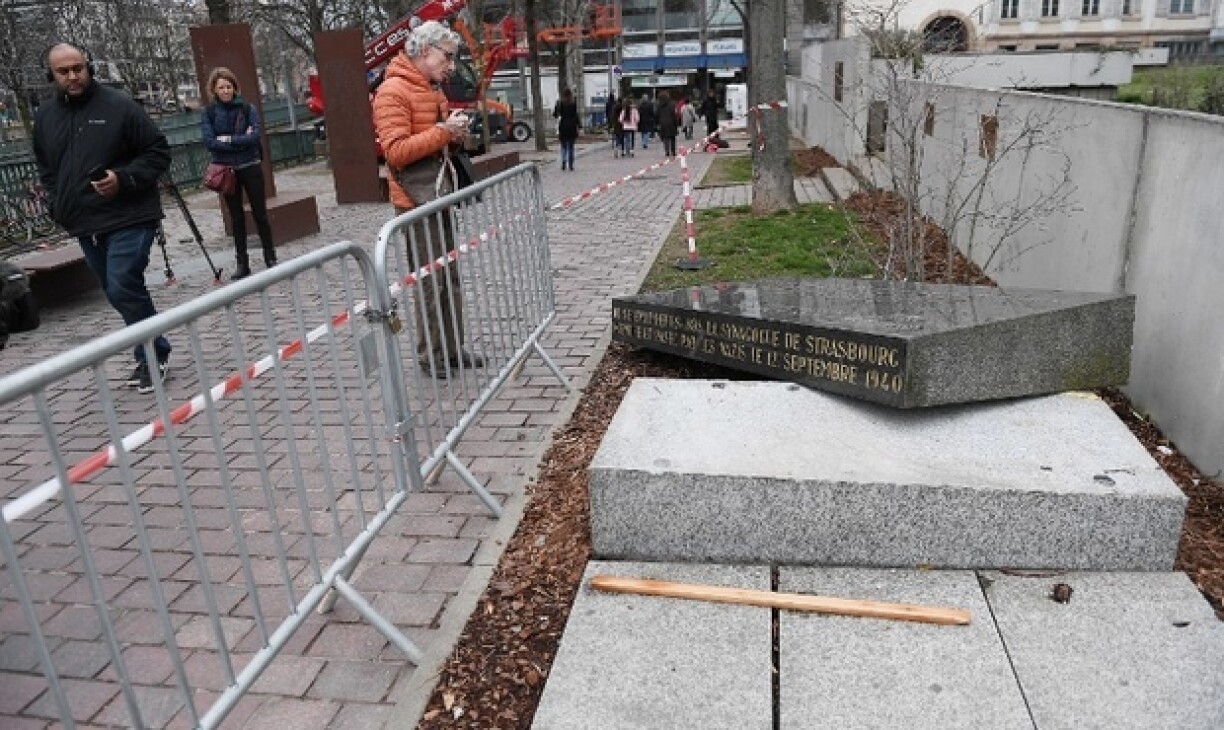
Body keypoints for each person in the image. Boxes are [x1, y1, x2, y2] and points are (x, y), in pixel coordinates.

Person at [32, 42, 172, 393]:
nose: (72, 76)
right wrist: (55, 202)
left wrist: (123, 178)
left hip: (131, 213)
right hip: (84, 221)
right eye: (63, 71)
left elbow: (158, 151)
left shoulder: (120, 106)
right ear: (52, 76)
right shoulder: (46, 117)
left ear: (88, 66)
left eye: (78, 67)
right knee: (115, 289)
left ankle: (152, 357)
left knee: (123, 282)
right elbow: (47, 169)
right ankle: (153, 347)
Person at [372, 20, 483, 372]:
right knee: (429, 281)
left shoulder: (431, 88)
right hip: (415, 199)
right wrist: (442, 132)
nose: (451, 65)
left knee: (447, 275)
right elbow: (395, 152)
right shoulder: (393, 91)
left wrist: (455, 133)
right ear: (424, 51)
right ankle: (431, 355)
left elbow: (435, 138)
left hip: (438, 191)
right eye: (447, 57)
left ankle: (452, 349)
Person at [201, 67, 275, 280]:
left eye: (228, 86)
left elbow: (254, 137)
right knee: (237, 218)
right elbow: (210, 142)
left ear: (235, 87)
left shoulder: (247, 108)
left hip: (250, 166)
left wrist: (228, 140)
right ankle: (242, 263)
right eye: (221, 87)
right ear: (214, 90)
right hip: (227, 171)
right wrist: (239, 139)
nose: (226, 91)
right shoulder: (209, 113)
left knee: (260, 213)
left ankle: (270, 256)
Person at [553, 88, 579, 171]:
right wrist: (579, 125)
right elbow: (575, 115)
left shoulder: (560, 103)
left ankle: (564, 161)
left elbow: (555, 114)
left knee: (563, 146)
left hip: (563, 125)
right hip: (571, 126)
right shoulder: (573, 103)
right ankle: (571, 164)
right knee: (571, 147)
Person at [655, 91, 678, 158]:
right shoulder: (672, 104)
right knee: (672, 137)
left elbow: (656, 115)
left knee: (665, 138)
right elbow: (674, 114)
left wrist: (657, 123)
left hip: (662, 123)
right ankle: (673, 151)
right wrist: (676, 123)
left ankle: (667, 151)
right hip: (671, 122)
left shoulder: (659, 105)